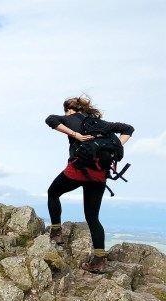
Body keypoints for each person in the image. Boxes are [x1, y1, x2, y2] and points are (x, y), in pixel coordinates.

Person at [45, 96, 134, 273]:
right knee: (93, 218)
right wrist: (116, 145)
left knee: (53, 193)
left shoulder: (68, 118)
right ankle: (99, 260)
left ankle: (56, 233)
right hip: (99, 173)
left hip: (78, 170)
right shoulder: (102, 124)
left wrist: (76, 135)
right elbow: (128, 129)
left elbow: (50, 120)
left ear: (68, 110)